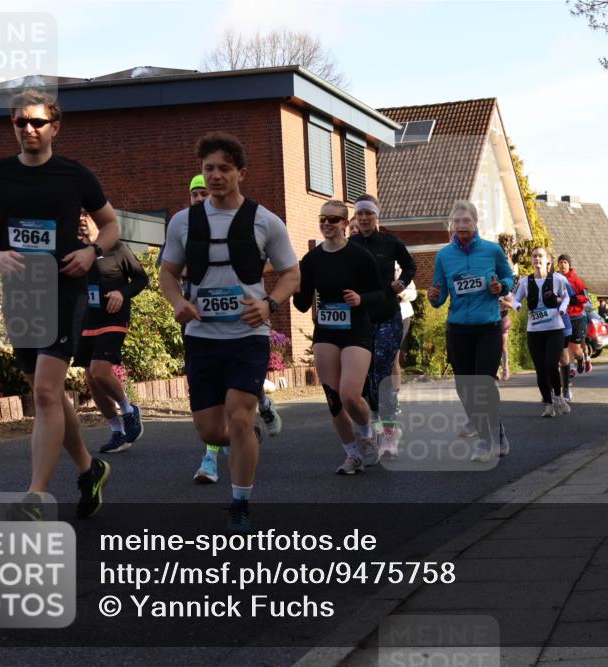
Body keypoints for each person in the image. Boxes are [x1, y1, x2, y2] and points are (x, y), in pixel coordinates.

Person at [0, 89, 119, 518]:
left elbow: (110, 225)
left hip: (65, 291)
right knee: (46, 393)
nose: (29, 129)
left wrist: (92, 252)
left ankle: (35, 495)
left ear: (55, 127)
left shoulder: (75, 176)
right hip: (22, 295)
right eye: (21, 122)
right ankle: (91, 469)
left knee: (48, 391)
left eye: (37, 122)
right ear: (13, 126)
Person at [159, 132, 300, 533]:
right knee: (210, 429)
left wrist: (269, 304)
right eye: (208, 169)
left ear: (241, 173)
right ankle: (249, 436)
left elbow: (292, 273)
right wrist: (176, 303)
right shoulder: (183, 222)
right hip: (202, 337)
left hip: (247, 335)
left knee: (238, 417)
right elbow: (167, 274)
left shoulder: (266, 221)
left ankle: (240, 503)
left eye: (224, 168)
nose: (215, 176)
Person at [293, 200, 384, 474]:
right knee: (333, 398)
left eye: (333, 220)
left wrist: (360, 298)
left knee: (349, 395)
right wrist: (291, 282)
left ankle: (367, 433)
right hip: (326, 331)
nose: (327, 224)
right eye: (323, 219)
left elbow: (380, 294)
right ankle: (351, 454)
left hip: (356, 328)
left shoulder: (359, 256)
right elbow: (301, 305)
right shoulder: (312, 259)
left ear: (345, 224)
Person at [428, 200, 514, 461]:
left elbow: (509, 278)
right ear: (452, 225)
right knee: (464, 387)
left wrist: (502, 286)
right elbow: (439, 295)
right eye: (457, 221)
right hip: (458, 329)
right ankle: (496, 429)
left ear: (476, 223)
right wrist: (433, 296)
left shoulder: (492, 250)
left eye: (467, 221)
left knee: (483, 383)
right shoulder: (444, 255)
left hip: (487, 326)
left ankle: (485, 441)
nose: (462, 226)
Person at [349, 194, 416, 457]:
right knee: (366, 376)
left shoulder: (390, 241)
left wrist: (402, 283)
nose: (364, 218)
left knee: (382, 372)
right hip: (361, 318)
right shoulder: (350, 244)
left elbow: (409, 265)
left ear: (377, 216)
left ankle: (389, 429)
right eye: (360, 214)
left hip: (388, 315)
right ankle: (379, 419)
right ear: (355, 218)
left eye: (369, 213)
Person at [74, 211, 148, 453]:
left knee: (100, 370)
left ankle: (129, 411)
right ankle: (116, 430)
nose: (81, 219)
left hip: (114, 316)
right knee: (91, 379)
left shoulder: (117, 248)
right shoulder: (74, 250)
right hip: (88, 319)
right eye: (77, 215)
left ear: (98, 219)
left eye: (86, 214)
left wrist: (121, 293)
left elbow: (140, 279)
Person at [512, 247, 571, 416]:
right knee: (540, 369)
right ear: (531, 260)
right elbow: (515, 298)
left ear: (547, 260)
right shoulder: (525, 282)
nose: (537, 259)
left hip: (554, 329)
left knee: (551, 364)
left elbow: (566, 296)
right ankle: (549, 404)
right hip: (534, 331)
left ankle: (559, 396)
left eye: (541, 256)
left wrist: (562, 309)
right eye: (534, 256)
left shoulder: (557, 279)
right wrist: (517, 306)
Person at [556, 253, 591, 380]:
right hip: (563, 317)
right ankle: (570, 369)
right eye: (560, 262)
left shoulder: (576, 280)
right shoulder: (555, 279)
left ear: (569, 265)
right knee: (567, 346)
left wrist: (574, 299)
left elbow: (586, 297)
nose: (562, 265)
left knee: (576, 349)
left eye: (565, 262)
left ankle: (581, 358)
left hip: (577, 317)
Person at [391, 261, 417, 409]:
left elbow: (413, 293)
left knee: (394, 356)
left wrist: (400, 291)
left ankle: (394, 397)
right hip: (379, 316)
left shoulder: (399, 269)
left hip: (401, 315)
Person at [498, 293, 515, 381]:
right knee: (492, 346)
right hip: (491, 319)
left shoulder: (505, 291)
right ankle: (495, 370)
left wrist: (502, 301)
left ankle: (506, 369)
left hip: (503, 318)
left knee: (502, 346)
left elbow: (512, 305)